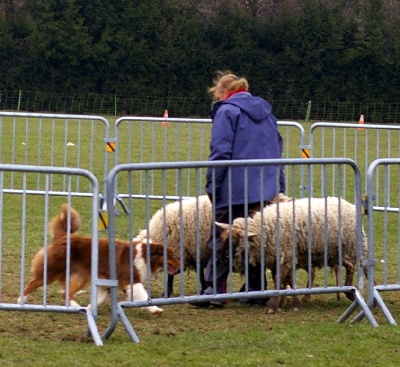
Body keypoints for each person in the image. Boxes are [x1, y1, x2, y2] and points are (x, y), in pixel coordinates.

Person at [192, 71, 284, 308]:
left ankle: (215, 290)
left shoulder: (227, 111)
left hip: (234, 188)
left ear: (222, 92)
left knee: (222, 238)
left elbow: (221, 152)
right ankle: (256, 290)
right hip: (264, 188)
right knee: (253, 239)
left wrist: (213, 184)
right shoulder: (266, 113)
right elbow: (277, 147)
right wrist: (277, 186)